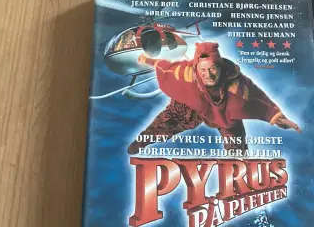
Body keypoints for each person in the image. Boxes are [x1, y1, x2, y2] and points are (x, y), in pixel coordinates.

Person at [127, 41, 300, 154]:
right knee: (164, 123)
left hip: (225, 114)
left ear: (220, 67)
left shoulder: (236, 83)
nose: (208, 75)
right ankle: (140, 143)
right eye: (202, 70)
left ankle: (238, 177)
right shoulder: (185, 73)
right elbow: (164, 66)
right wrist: (147, 60)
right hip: (191, 106)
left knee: (237, 148)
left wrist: (276, 116)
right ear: (196, 69)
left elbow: (257, 96)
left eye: (212, 69)